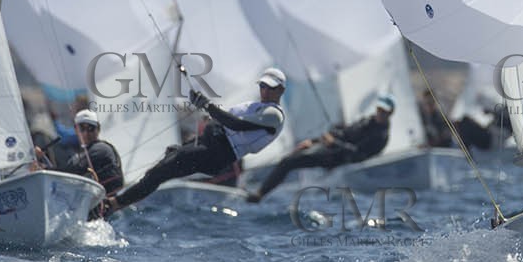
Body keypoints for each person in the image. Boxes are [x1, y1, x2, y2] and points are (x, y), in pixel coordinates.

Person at [103, 67, 288, 214]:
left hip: (217, 153)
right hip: (208, 143)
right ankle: (118, 202)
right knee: (162, 166)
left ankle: (115, 204)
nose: (265, 90)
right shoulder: (256, 106)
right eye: (262, 86)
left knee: (161, 171)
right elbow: (223, 118)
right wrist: (202, 106)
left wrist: (206, 105)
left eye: (270, 87)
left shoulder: (274, 115)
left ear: (280, 90)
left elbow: (235, 124)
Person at [245, 93, 395, 204]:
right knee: (289, 158)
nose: (380, 113)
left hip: (336, 157)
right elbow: (343, 133)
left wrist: (333, 142)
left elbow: (357, 154)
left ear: (390, 113)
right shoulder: (367, 121)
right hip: (330, 148)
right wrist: (313, 141)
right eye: (379, 109)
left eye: (384, 111)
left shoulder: (381, 136)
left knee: (288, 162)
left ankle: (259, 194)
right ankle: (260, 191)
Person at [36, 109, 123, 205]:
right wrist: (40, 159)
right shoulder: (79, 155)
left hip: (103, 206)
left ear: (98, 129)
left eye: (91, 128)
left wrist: (43, 170)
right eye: (82, 128)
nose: (86, 133)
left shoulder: (102, 149)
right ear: (76, 129)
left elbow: (75, 170)